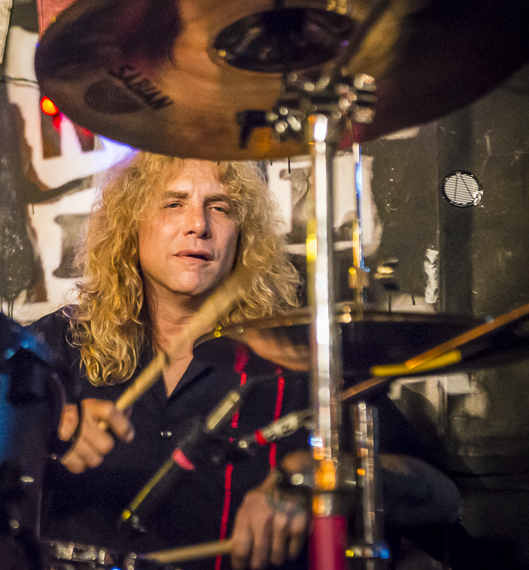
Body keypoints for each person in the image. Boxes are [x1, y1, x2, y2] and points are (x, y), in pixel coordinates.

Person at [30, 152, 459, 570]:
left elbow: (439, 493)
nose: (199, 225)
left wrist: (313, 476)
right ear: (132, 223)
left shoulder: (296, 358)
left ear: (244, 235)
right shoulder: (56, 349)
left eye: (220, 207)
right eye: (174, 203)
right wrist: (39, 433)